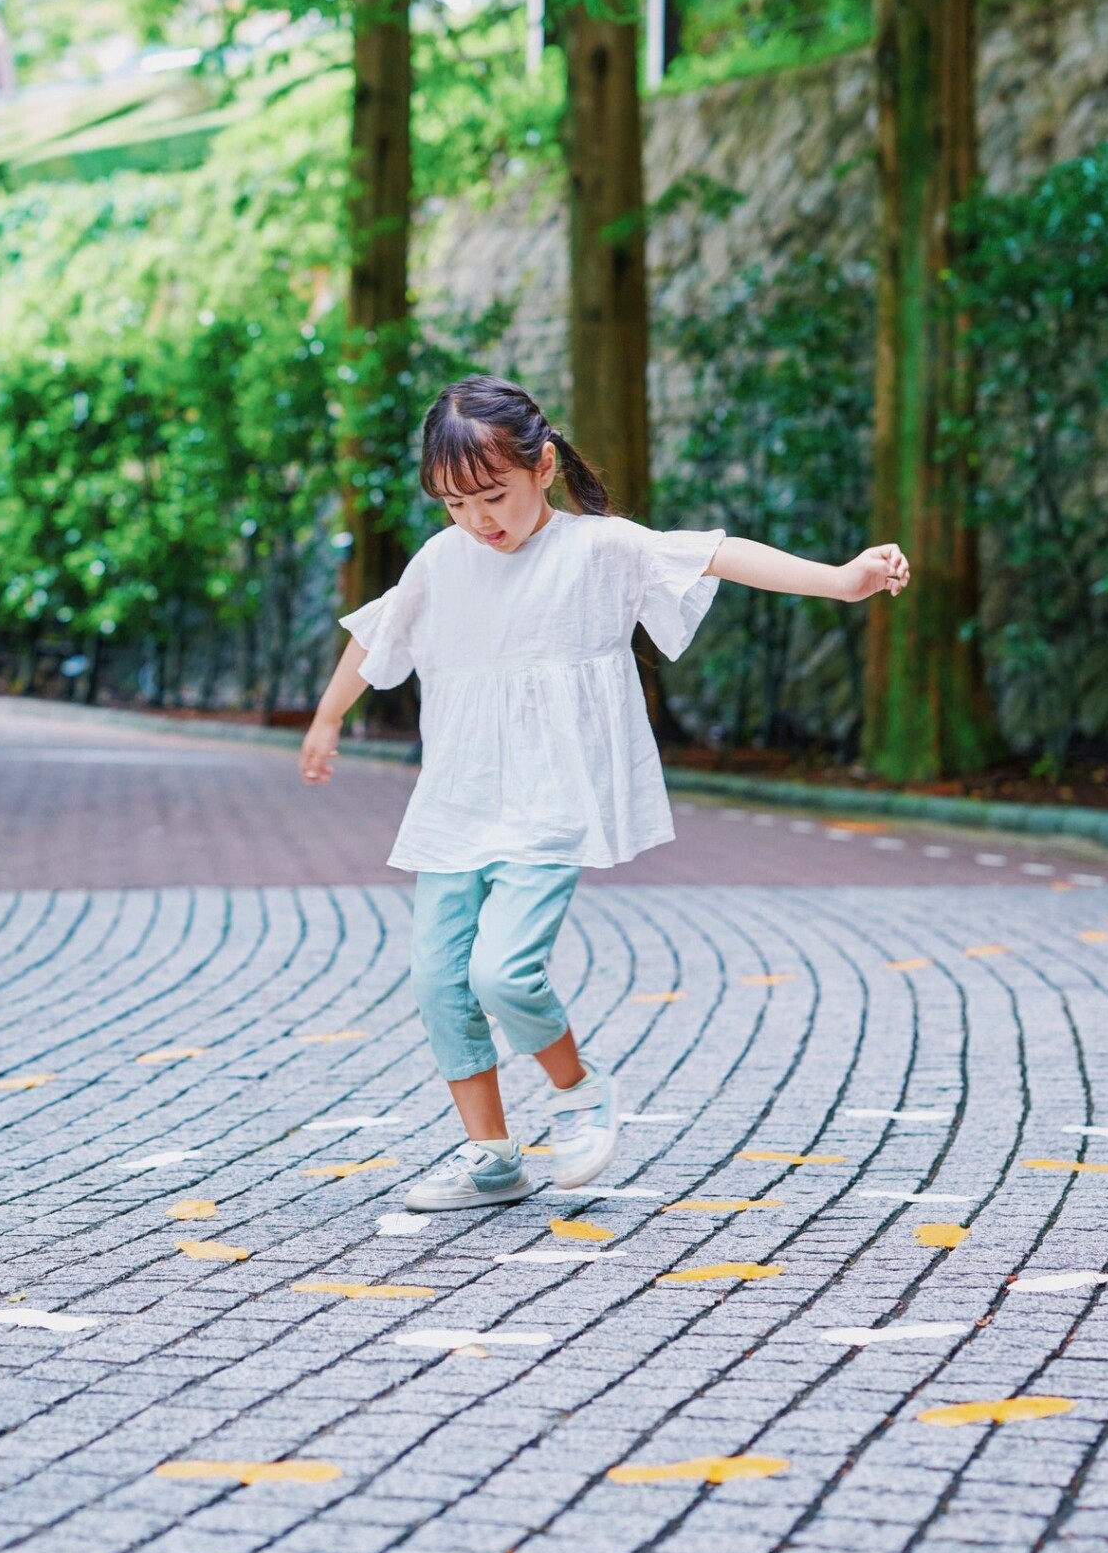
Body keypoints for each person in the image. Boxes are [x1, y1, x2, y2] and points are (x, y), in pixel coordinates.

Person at [300, 375, 909, 1213]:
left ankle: (580, 1090)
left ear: (542, 465)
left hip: (550, 801)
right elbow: (381, 636)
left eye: (492, 495)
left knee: (501, 973)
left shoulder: (597, 549)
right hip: (457, 800)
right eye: (453, 503)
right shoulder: (443, 560)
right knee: (439, 982)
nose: (478, 520)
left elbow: (715, 553)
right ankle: (490, 1157)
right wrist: (327, 720)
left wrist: (843, 579)